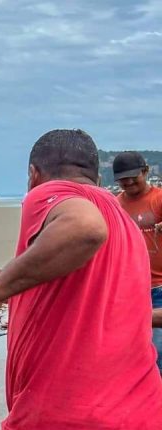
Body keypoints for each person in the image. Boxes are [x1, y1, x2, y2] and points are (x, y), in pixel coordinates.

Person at [0, 129, 162, 429]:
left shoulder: (49, 191)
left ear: (33, 174)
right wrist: (13, 274)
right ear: (97, 178)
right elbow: (87, 275)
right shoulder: (122, 218)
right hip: (142, 411)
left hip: (70, 415)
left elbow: (83, 229)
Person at [113, 151, 162, 372]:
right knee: (132, 351)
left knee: (158, 351)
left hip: (159, 287)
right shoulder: (115, 205)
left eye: (134, 176)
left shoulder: (158, 198)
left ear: (145, 171)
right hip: (131, 289)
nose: (129, 182)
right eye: (123, 178)